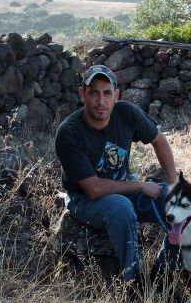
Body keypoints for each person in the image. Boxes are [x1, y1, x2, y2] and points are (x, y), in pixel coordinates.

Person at [55, 64, 181, 285]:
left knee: (178, 205)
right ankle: (133, 280)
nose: (101, 101)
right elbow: (93, 189)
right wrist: (140, 186)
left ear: (116, 95)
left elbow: (159, 140)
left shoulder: (126, 113)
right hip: (83, 198)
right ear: (82, 94)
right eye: (93, 92)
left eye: (107, 93)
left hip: (122, 186)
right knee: (120, 208)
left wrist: (174, 185)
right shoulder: (69, 132)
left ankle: (164, 273)